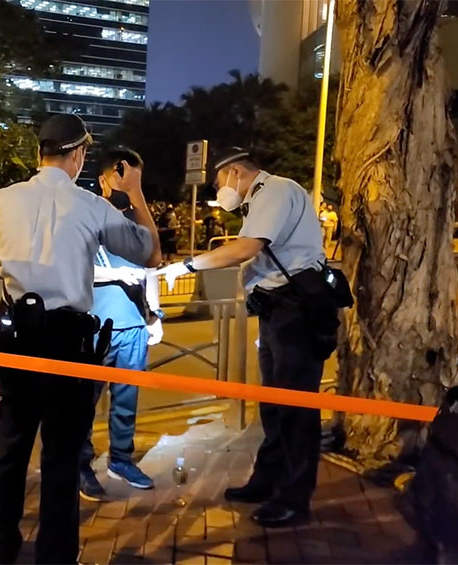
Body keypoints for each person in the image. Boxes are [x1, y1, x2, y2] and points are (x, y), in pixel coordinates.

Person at [0, 114, 160, 564]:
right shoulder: (90, 206)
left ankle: (1, 547)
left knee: (9, 450)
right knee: (61, 457)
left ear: (39, 152)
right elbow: (149, 253)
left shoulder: (2, 199)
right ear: (79, 155)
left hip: (14, 337)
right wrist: (135, 191)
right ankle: (56, 554)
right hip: (66, 341)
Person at [155, 147, 330, 528]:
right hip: (278, 309)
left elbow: (246, 248)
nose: (219, 190)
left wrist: (186, 266)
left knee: (295, 406)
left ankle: (294, 498)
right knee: (274, 403)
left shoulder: (276, 191)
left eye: (219, 181)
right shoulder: (261, 199)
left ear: (235, 171)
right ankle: (268, 480)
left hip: (295, 311)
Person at [79, 147, 164, 502]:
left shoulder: (136, 217)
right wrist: (114, 275)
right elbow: (74, 266)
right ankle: (80, 462)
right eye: (123, 178)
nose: (128, 185)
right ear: (104, 180)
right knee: (84, 401)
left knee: (127, 400)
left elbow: (151, 265)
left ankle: (121, 460)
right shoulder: (86, 214)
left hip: (132, 325)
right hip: (94, 325)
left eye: (135, 179)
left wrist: (155, 314)